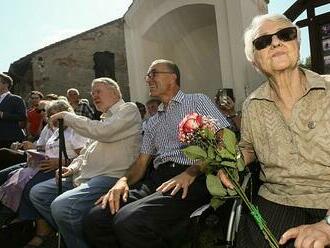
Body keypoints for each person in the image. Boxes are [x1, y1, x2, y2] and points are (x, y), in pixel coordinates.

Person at [83, 59, 229, 248]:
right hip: (159, 178)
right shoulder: (153, 121)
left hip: (194, 176)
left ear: (172, 77)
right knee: (95, 218)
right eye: (147, 76)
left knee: (129, 221)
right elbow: (141, 164)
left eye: (153, 74)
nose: (148, 79)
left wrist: (191, 172)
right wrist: (123, 181)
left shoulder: (196, 101)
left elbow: (223, 139)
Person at [218, 14, 330, 248]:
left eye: (285, 35)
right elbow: (248, 147)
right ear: (254, 61)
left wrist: (327, 224)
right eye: (263, 41)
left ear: (297, 44)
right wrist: (233, 162)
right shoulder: (252, 105)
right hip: (277, 199)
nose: (276, 43)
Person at [30, 77, 142, 248]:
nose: (94, 95)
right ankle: (75, 230)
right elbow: (85, 153)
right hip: (83, 177)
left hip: (109, 177)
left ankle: (80, 239)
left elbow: (104, 133)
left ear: (115, 92)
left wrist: (68, 117)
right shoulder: (103, 119)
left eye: (98, 91)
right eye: (92, 92)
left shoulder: (128, 109)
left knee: (61, 206)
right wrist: (72, 167)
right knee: (38, 193)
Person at [0, 99, 88, 247]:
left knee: (29, 187)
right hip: (45, 165)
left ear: (67, 113)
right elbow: (46, 149)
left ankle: (41, 231)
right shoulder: (54, 129)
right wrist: (33, 150)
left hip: (64, 170)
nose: (53, 118)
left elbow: (83, 157)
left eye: (57, 114)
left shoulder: (74, 129)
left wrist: (60, 162)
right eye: (50, 115)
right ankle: (22, 218)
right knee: (14, 178)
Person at [0, 73, 27, 148]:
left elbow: (22, 116)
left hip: (10, 138)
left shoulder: (16, 99)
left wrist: (3, 115)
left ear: (6, 84)